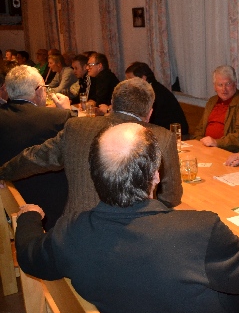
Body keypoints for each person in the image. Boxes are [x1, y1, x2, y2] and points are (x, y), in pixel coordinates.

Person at [15, 122, 239, 313]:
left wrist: (29, 217)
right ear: (156, 175)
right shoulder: (199, 231)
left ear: (96, 173)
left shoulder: (71, 232)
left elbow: (28, 256)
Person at [0, 77, 183, 217]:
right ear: (149, 113)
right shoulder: (163, 137)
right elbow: (171, 197)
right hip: (135, 233)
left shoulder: (76, 127)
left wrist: (3, 172)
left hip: (76, 230)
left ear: (112, 105)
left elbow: (35, 158)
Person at [0, 65, 72, 229]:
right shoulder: (58, 118)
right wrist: (67, 114)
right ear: (39, 91)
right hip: (52, 208)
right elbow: (76, 149)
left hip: (7, 204)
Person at [195, 65, 239, 152]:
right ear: (214, 87)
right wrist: (199, 142)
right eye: (220, 85)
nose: (224, 89)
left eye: (228, 84)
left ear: (235, 83)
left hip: (230, 151)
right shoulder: (212, 101)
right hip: (206, 149)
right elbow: (200, 129)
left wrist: (217, 143)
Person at [125, 61, 189, 136]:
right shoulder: (148, 89)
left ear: (143, 78)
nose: (128, 83)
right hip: (160, 131)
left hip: (174, 134)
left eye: (131, 79)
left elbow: (148, 120)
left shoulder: (155, 93)